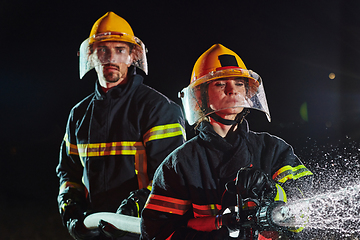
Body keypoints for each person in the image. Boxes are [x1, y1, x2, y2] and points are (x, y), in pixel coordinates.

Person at [140, 44, 313, 239]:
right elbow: (157, 233)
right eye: (220, 83)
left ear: (248, 92)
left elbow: (305, 211)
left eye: (239, 83)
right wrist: (219, 231)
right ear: (200, 95)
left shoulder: (273, 150)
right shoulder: (181, 163)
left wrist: (272, 191)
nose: (232, 90)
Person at [56, 12, 186, 240]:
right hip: (94, 230)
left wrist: (135, 206)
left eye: (120, 50)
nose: (111, 58)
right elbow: (69, 172)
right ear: (91, 55)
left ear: (132, 55)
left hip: (142, 230)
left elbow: (172, 177)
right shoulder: (79, 114)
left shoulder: (158, 108)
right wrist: (70, 206)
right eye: (103, 50)